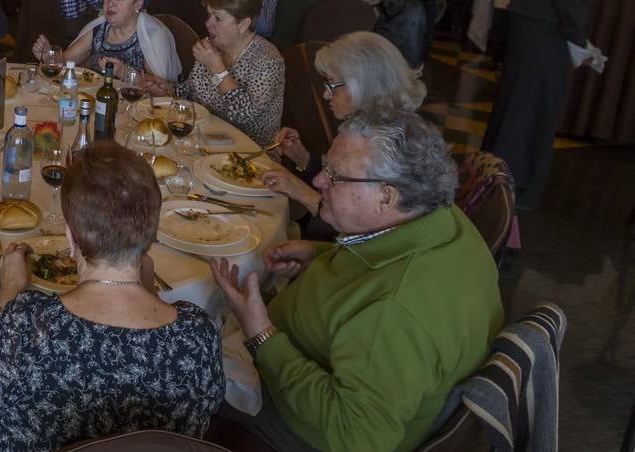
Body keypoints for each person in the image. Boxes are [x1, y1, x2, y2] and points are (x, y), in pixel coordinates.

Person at [211, 111, 502, 452]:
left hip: (302, 426)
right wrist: (320, 254)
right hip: (315, 349)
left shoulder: (397, 312)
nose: (319, 180)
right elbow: (382, 269)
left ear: (387, 197)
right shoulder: (442, 217)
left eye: (336, 176)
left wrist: (261, 335)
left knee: (171, 371)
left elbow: (354, 436)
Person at [0, 141, 224, 451]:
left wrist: (8, 291)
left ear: (71, 238)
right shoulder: (197, 332)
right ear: (151, 236)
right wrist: (149, 290)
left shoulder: (30, 321)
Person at [483, 0, 600, 209]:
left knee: (528, 110)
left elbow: (571, 1)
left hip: (543, 40)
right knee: (517, 105)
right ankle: (497, 180)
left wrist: (578, 44)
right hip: (532, 38)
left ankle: (514, 187)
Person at [261, 31, 427, 229]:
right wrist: (302, 158)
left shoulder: (389, 146)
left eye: (333, 84)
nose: (325, 94)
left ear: (363, 85)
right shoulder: (371, 127)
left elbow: (357, 234)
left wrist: (302, 193)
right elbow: (336, 181)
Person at [156, 0, 283, 145]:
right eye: (209, 15)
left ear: (244, 24)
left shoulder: (267, 60)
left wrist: (217, 68)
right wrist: (168, 88)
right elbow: (192, 92)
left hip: (248, 154)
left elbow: (243, 115)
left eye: (218, 18)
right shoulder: (213, 46)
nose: (208, 23)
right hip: (202, 140)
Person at [36, 0, 181, 83]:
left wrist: (124, 72)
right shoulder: (100, 28)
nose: (110, 3)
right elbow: (66, 61)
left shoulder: (152, 35)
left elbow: (162, 88)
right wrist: (48, 56)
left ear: (137, 4)